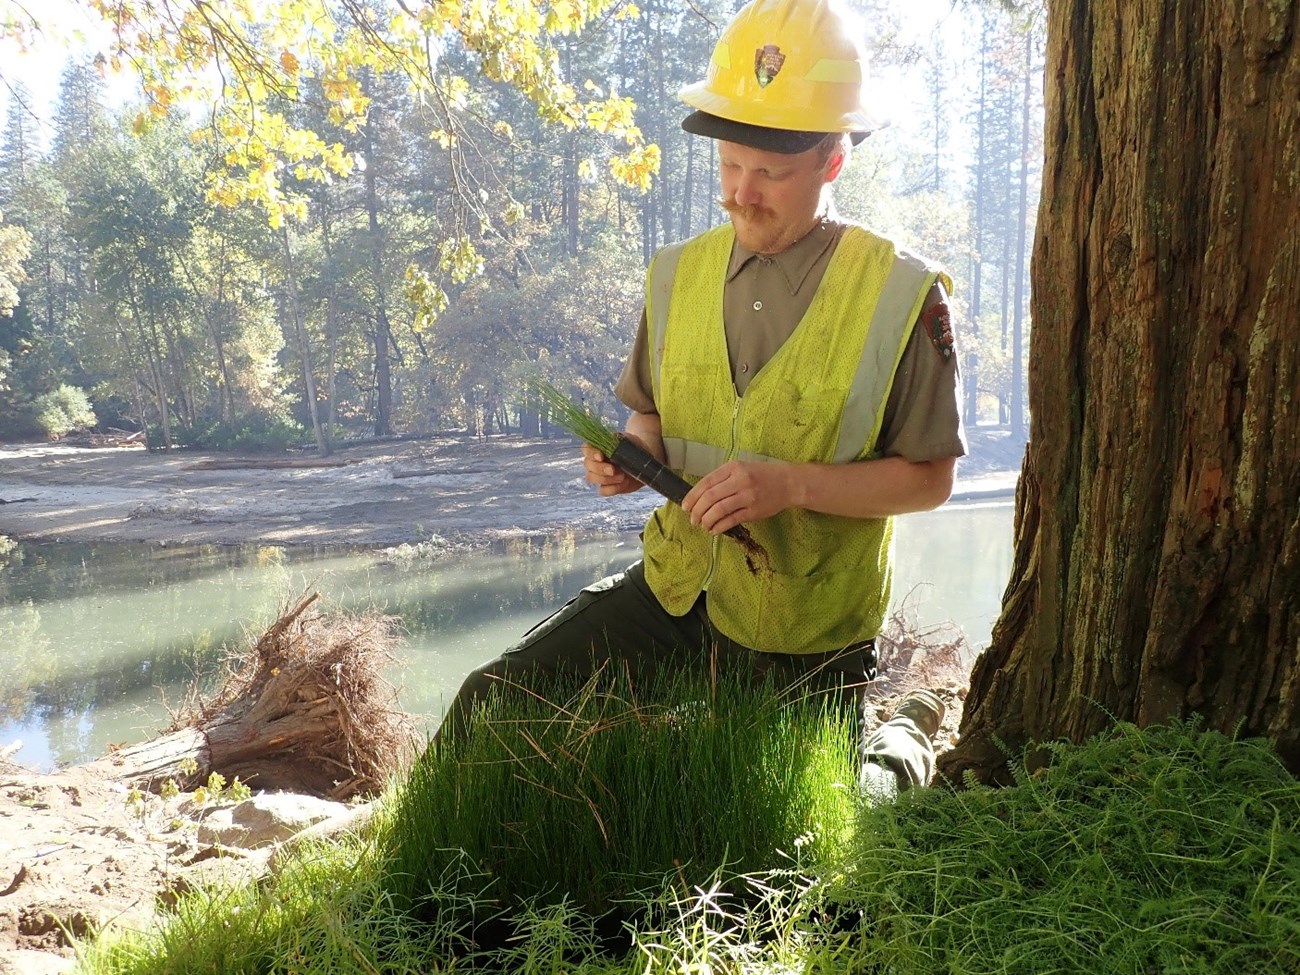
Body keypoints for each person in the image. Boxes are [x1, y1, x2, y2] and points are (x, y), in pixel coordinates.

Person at [437, 0, 964, 795]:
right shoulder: (675, 273)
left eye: (770, 174)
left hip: (806, 626)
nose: (741, 194)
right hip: (675, 589)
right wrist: (632, 453)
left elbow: (930, 479)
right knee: (489, 701)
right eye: (729, 166)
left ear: (832, 160)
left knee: (824, 821)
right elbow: (649, 412)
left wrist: (791, 484)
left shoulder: (904, 296)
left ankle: (902, 732)